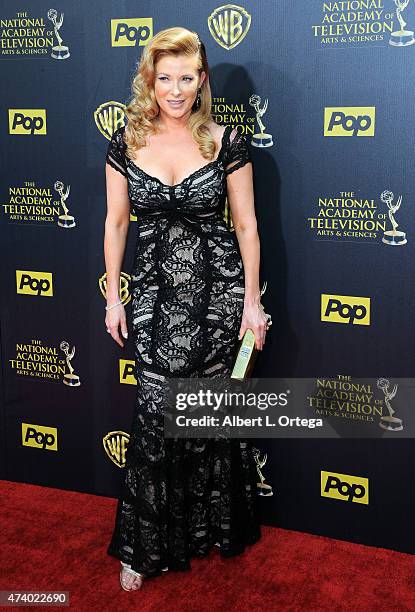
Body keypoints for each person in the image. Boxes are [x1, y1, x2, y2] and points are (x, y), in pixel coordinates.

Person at [104, 26, 270, 592]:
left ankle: (206, 531)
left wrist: (251, 303)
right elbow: (116, 222)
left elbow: (246, 225)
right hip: (152, 297)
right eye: (165, 78)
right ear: (150, 80)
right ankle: (143, 546)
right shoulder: (124, 142)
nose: (175, 90)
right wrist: (112, 295)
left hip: (216, 298)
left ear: (202, 81)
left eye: (187, 78)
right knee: (154, 419)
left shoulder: (227, 141)